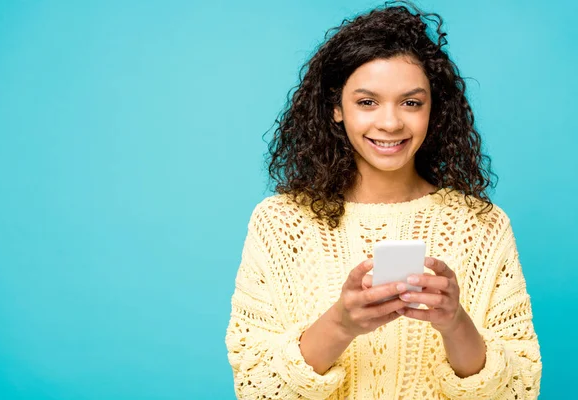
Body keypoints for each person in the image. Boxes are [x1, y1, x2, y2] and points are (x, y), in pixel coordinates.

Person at [224, 1, 542, 399]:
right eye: (367, 102)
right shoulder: (280, 222)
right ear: (336, 108)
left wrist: (455, 321)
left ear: (433, 110)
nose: (390, 123)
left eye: (411, 102)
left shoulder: (482, 225)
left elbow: (520, 388)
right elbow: (257, 388)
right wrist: (341, 323)